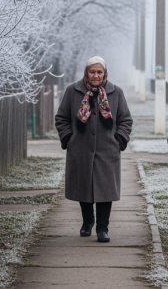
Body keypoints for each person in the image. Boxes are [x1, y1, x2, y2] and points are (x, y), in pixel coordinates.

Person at [55, 56, 133, 243]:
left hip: (107, 150)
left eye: (99, 72)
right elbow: (61, 118)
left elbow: (125, 120)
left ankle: (102, 228)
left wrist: (119, 140)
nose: (96, 76)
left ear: (105, 73)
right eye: (92, 72)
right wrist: (69, 138)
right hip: (80, 149)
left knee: (105, 190)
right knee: (84, 187)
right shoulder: (73, 91)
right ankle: (87, 222)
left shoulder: (116, 93)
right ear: (86, 73)